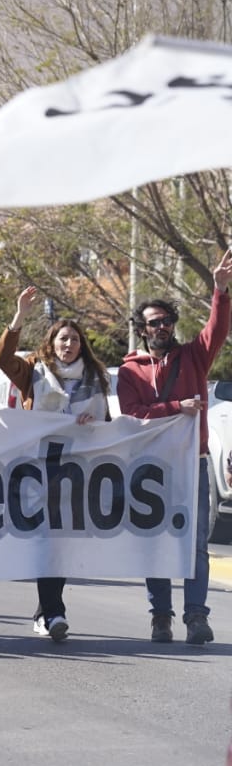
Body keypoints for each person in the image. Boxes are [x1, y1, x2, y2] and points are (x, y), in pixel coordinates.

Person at [117, 247, 232, 646]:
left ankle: (196, 616)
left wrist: (220, 290)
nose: (161, 327)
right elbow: (133, 414)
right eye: (154, 322)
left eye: (166, 321)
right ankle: (161, 617)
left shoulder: (193, 358)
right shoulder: (130, 369)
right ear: (142, 328)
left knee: (195, 543)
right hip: (150, 468)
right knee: (157, 543)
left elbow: (216, 330)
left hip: (193, 464)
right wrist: (175, 407)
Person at [0, 286, 112, 642]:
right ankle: (54, 611)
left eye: (74, 339)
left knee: (59, 542)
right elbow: (2, 359)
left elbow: (108, 426)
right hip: (36, 468)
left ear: (82, 345)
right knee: (45, 541)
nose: (68, 345)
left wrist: (93, 424)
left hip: (76, 472)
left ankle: (48, 611)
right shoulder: (34, 371)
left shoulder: (95, 378)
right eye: (62, 339)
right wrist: (19, 317)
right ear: (52, 342)